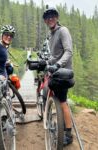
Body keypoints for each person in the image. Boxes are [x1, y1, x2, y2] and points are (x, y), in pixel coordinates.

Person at [43, 7, 73, 146]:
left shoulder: (63, 31)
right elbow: (54, 56)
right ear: (45, 21)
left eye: (52, 17)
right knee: (55, 97)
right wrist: (47, 62)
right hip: (55, 72)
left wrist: (58, 65)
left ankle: (68, 133)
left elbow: (68, 51)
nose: (50, 19)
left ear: (57, 17)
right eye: (47, 18)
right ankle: (58, 120)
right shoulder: (52, 35)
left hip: (63, 73)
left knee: (63, 102)